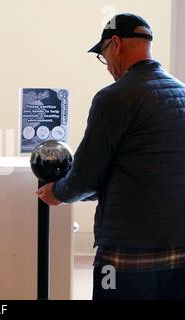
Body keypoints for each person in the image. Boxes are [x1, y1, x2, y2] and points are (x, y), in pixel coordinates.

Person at [37, 13, 185, 300]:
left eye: (104, 55)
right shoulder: (182, 93)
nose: (107, 67)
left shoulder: (114, 98)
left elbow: (87, 174)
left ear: (115, 44)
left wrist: (58, 192)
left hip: (127, 252)